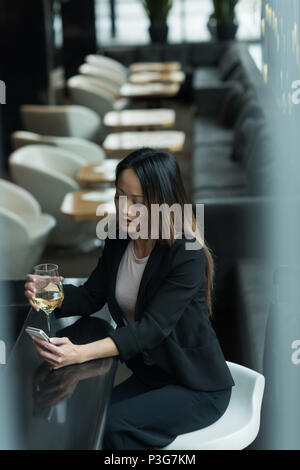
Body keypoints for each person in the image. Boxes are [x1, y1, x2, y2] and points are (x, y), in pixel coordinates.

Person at [25, 147, 235, 450]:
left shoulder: (185, 254)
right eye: (120, 195)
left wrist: (79, 353)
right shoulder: (118, 236)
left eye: (137, 201)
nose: (124, 209)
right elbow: (90, 296)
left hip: (196, 386)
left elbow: (151, 330)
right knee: (91, 420)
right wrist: (46, 292)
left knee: (112, 426)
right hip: (153, 375)